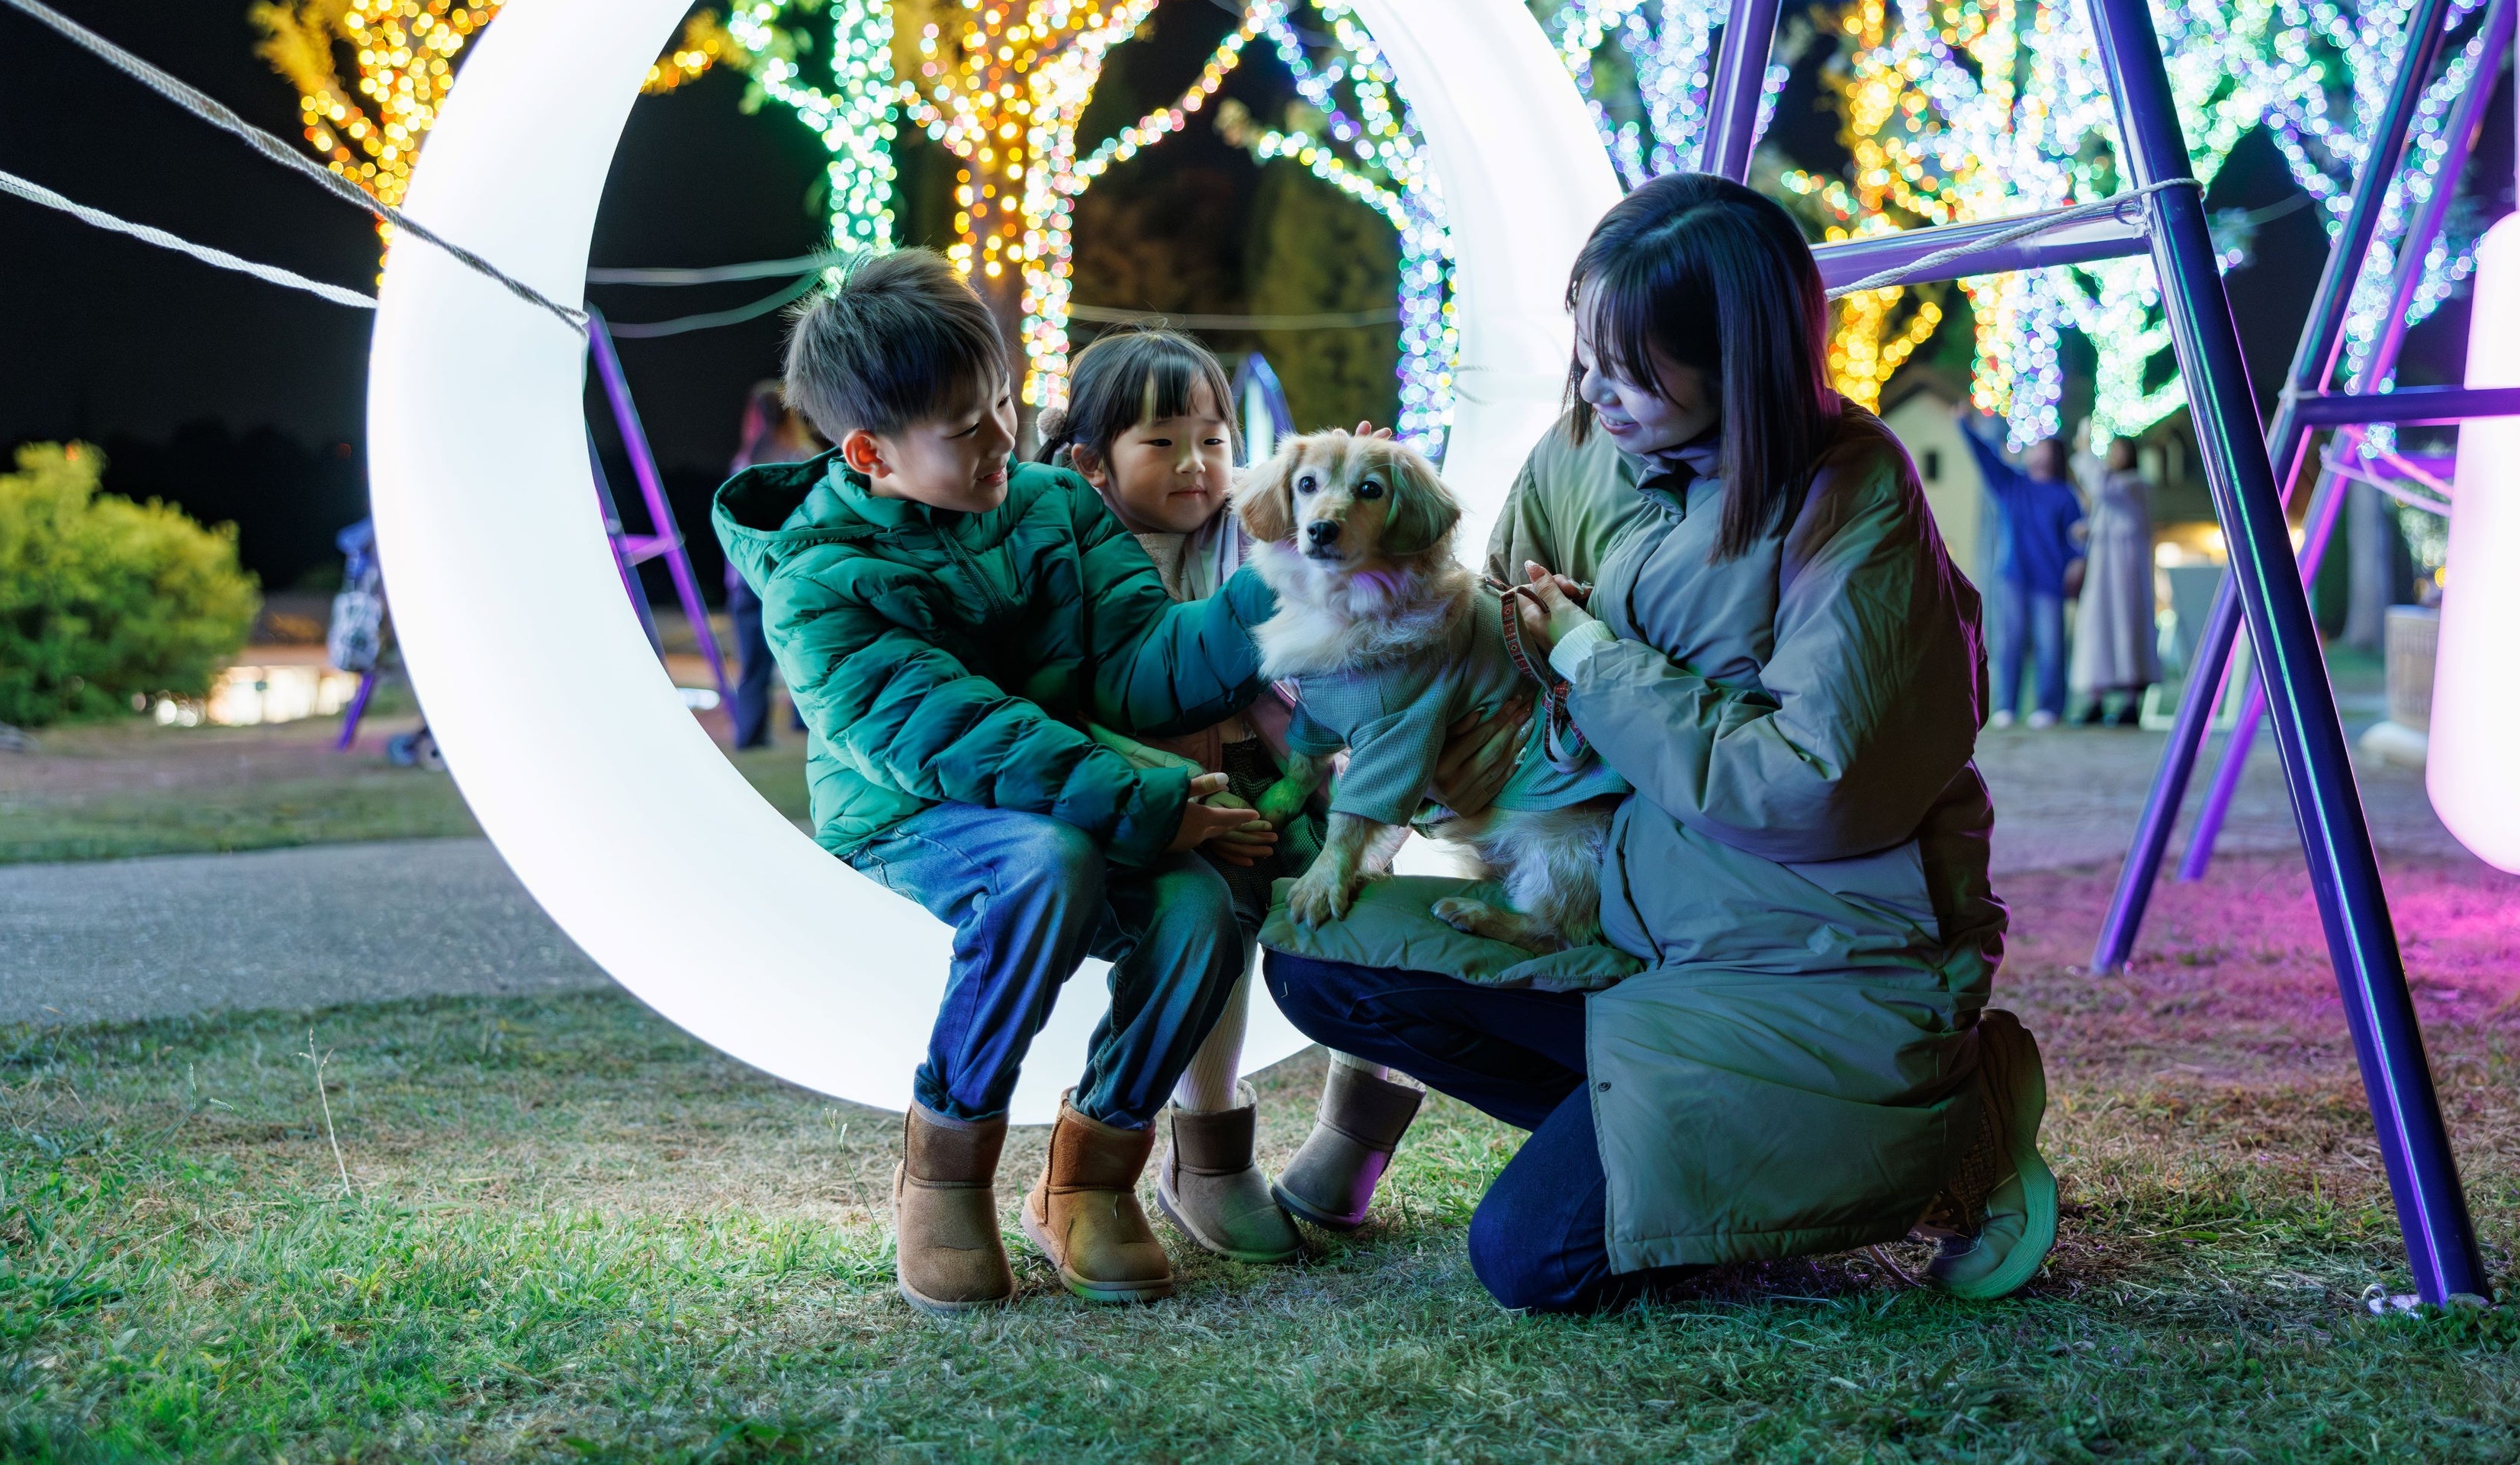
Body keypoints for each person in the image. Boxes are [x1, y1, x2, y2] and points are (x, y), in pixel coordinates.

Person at [1261, 173, 2055, 1314]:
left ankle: (1944, 1132)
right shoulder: (1583, 443)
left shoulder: (1855, 494)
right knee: (1317, 955)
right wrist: (1392, 699)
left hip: (1794, 957)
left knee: (1531, 1260)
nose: (1597, 392)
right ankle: (1674, 1138)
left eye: (1632, 370)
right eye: (1587, 356)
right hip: (1613, 915)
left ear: (1742, 364)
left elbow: (1817, 788)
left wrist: (1592, 657)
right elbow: (1500, 637)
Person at [712, 253, 1281, 1313]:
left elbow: (1140, 661)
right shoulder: (817, 578)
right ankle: (944, 1170)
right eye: (966, 427)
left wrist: (1280, 587)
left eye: (1007, 405)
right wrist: (1147, 802)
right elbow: (959, 737)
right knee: (1047, 862)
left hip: (1078, 796)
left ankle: (1092, 1176)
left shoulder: (1057, 504)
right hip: (913, 814)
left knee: (1200, 903)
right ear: (870, 452)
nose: (1003, 439)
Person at [1036, 326, 1301, 1265]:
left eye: (1213, 440)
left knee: (1350, 901)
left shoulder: (1248, 531)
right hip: (1148, 796)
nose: (1196, 465)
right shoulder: (1068, 558)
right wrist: (1173, 799)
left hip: (1272, 777)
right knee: (1217, 923)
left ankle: (1352, 1134)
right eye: (1161, 442)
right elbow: (1069, 705)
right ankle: (1209, 1145)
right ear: (1089, 462)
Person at [1959, 412, 2087, 728]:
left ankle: (2050, 707)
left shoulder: (2064, 495)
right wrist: (1965, 426)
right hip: (2013, 576)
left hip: (2050, 580)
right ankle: (2007, 706)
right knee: (2009, 642)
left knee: (2050, 645)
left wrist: (2077, 564)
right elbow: (1985, 458)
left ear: (2054, 456)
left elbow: (2077, 540)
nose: (2034, 450)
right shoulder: (2012, 484)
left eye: (2042, 447)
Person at [723, 381, 818, 751]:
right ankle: (795, 727)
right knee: (799, 653)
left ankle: (754, 733)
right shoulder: (800, 456)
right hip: (781, 573)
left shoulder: (751, 459)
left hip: (758, 574)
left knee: (762, 661)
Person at [2071, 435, 2160, 727]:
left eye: (2119, 450)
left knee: (2126, 627)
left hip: (2125, 573)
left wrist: (2085, 454)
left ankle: (2131, 700)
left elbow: (2105, 492)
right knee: (2098, 628)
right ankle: (2096, 698)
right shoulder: (2114, 487)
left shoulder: (2134, 484)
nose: (2114, 456)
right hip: (2102, 573)